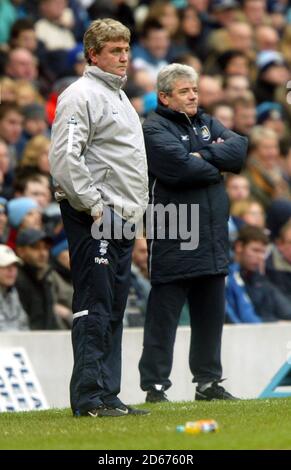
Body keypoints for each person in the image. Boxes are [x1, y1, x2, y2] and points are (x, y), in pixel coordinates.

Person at [49, 19, 149, 417]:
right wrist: (94, 204)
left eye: (126, 49)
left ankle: (108, 394)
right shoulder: (81, 95)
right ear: (93, 54)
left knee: (114, 307)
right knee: (94, 305)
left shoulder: (119, 96)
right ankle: (89, 397)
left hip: (121, 217)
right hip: (96, 216)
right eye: (114, 51)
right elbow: (64, 158)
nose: (124, 57)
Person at [139, 63, 248, 403]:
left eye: (195, 90)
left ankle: (208, 382)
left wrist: (203, 156)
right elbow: (179, 169)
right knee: (164, 316)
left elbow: (239, 149)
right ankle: (155, 386)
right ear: (164, 96)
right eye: (185, 91)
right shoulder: (153, 128)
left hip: (213, 233)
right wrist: (216, 163)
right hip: (174, 230)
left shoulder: (206, 122)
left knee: (210, 315)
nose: (193, 96)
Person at [0, 244, 29, 332]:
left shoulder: (12, 292)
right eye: (6, 266)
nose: (11, 270)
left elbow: (24, 325)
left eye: (14, 266)